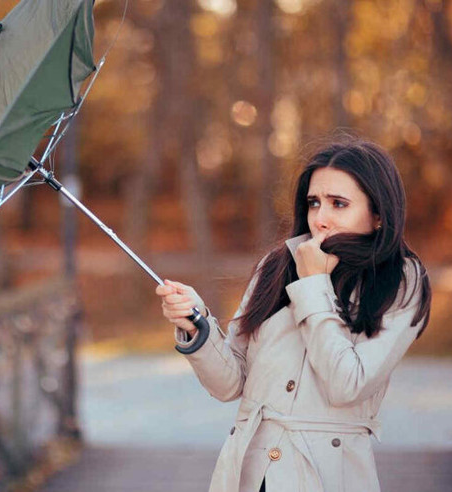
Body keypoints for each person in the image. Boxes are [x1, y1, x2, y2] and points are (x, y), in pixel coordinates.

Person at [155, 138, 432, 492]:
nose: (321, 218)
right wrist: (196, 322)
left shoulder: (401, 280)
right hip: (250, 472)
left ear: (378, 214)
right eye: (314, 203)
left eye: (339, 204)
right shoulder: (277, 265)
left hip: (328, 475)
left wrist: (314, 283)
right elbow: (230, 383)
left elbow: (347, 385)